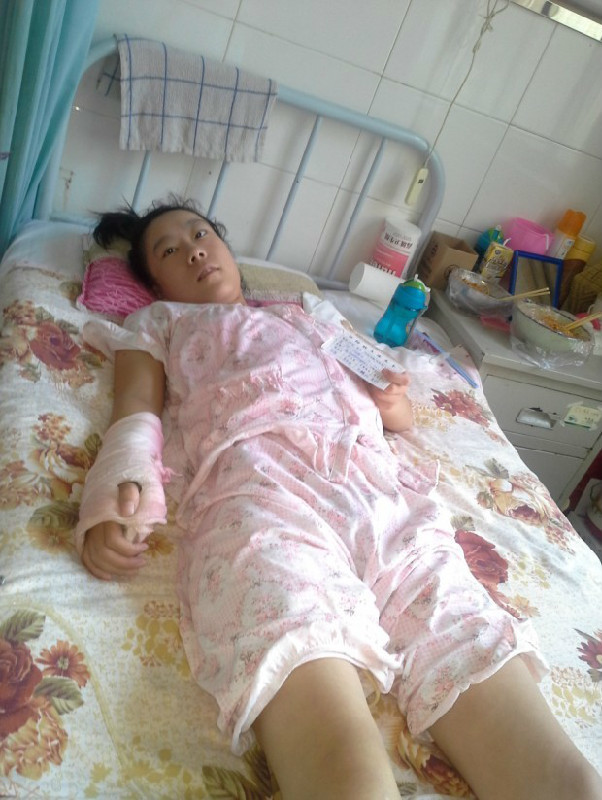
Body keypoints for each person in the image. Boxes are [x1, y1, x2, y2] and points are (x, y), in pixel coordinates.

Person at [77, 199, 602, 800]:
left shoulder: (310, 311)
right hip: (261, 495)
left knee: (474, 650)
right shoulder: (160, 323)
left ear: (225, 245)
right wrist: (118, 492)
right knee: (313, 688)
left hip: (374, 492)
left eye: (200, 234)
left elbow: (394, 404)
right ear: (154, 284)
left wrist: (392, 401)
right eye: (169, 251)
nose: (194, 251)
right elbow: (135, 412)